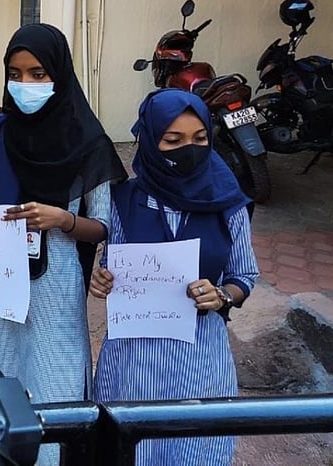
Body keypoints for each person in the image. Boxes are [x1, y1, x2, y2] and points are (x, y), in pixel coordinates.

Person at [0, 23, 128, 465]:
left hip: (57, 288)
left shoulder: (87, 141)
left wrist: (64, 220)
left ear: (59, 74)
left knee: (55, 386)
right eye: (15, 74)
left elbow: (104, 226)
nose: (25, 85)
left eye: (38, 74)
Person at [91, 89, 258, 465]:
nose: (189, 149)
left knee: (195, 448)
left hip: (200, 358)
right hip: (133, 360)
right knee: (132, 448)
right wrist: (101, 280)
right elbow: (110, 264)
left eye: (200, 139)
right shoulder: (123, 200)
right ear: (150, 140)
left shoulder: (228, 202)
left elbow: (244, 275)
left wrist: (222, 296)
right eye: (173, 140)